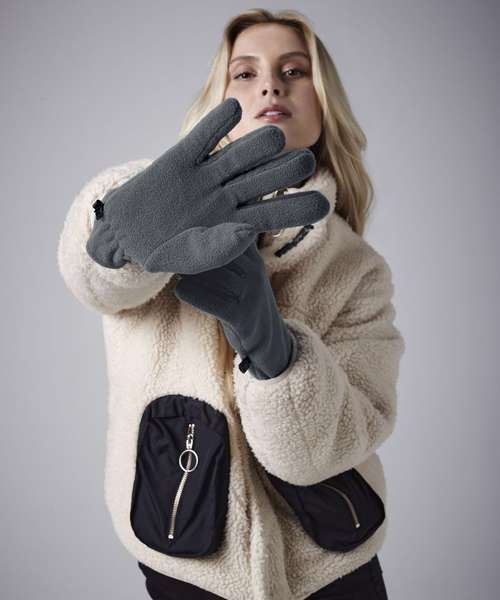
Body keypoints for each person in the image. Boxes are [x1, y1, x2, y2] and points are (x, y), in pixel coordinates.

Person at [57, 7, 405, 600]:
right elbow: (93, 283)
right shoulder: (151, 200)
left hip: (331, 565)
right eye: (245, 73)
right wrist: (118, 235)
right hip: (184, 550)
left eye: (294, 71)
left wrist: (271, 346)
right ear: (217, 99)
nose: (270, 86)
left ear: (324, 102)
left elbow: (346, 433)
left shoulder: (356, 269)